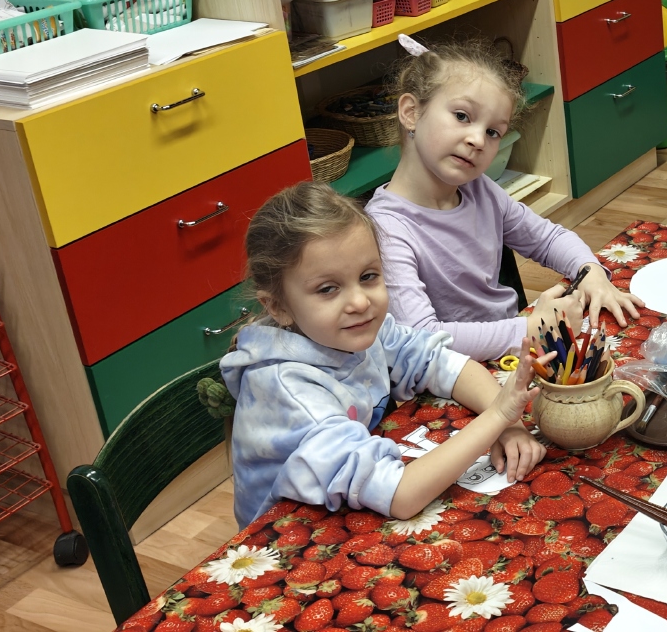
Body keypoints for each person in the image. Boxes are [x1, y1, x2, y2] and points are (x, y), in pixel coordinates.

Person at [222, 182, 549, 526]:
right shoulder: (288, 389)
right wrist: (497, 415)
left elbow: (440, 363)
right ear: (278, 307)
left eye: (368, 276)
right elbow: (400, 496)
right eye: (328, 289)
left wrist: (509, 426)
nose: (360, 301)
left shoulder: (363, 329)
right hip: (290, 538)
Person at [366, 35, 643, 361]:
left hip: (511, 353)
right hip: (451, 373)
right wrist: (530, 327)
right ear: (411, 112)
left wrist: (590, 272)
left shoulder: (479, 189)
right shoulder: (384, 228)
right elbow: (421, 339)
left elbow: (548, 239)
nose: (478, 140)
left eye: (493, 132)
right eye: (462, 116)